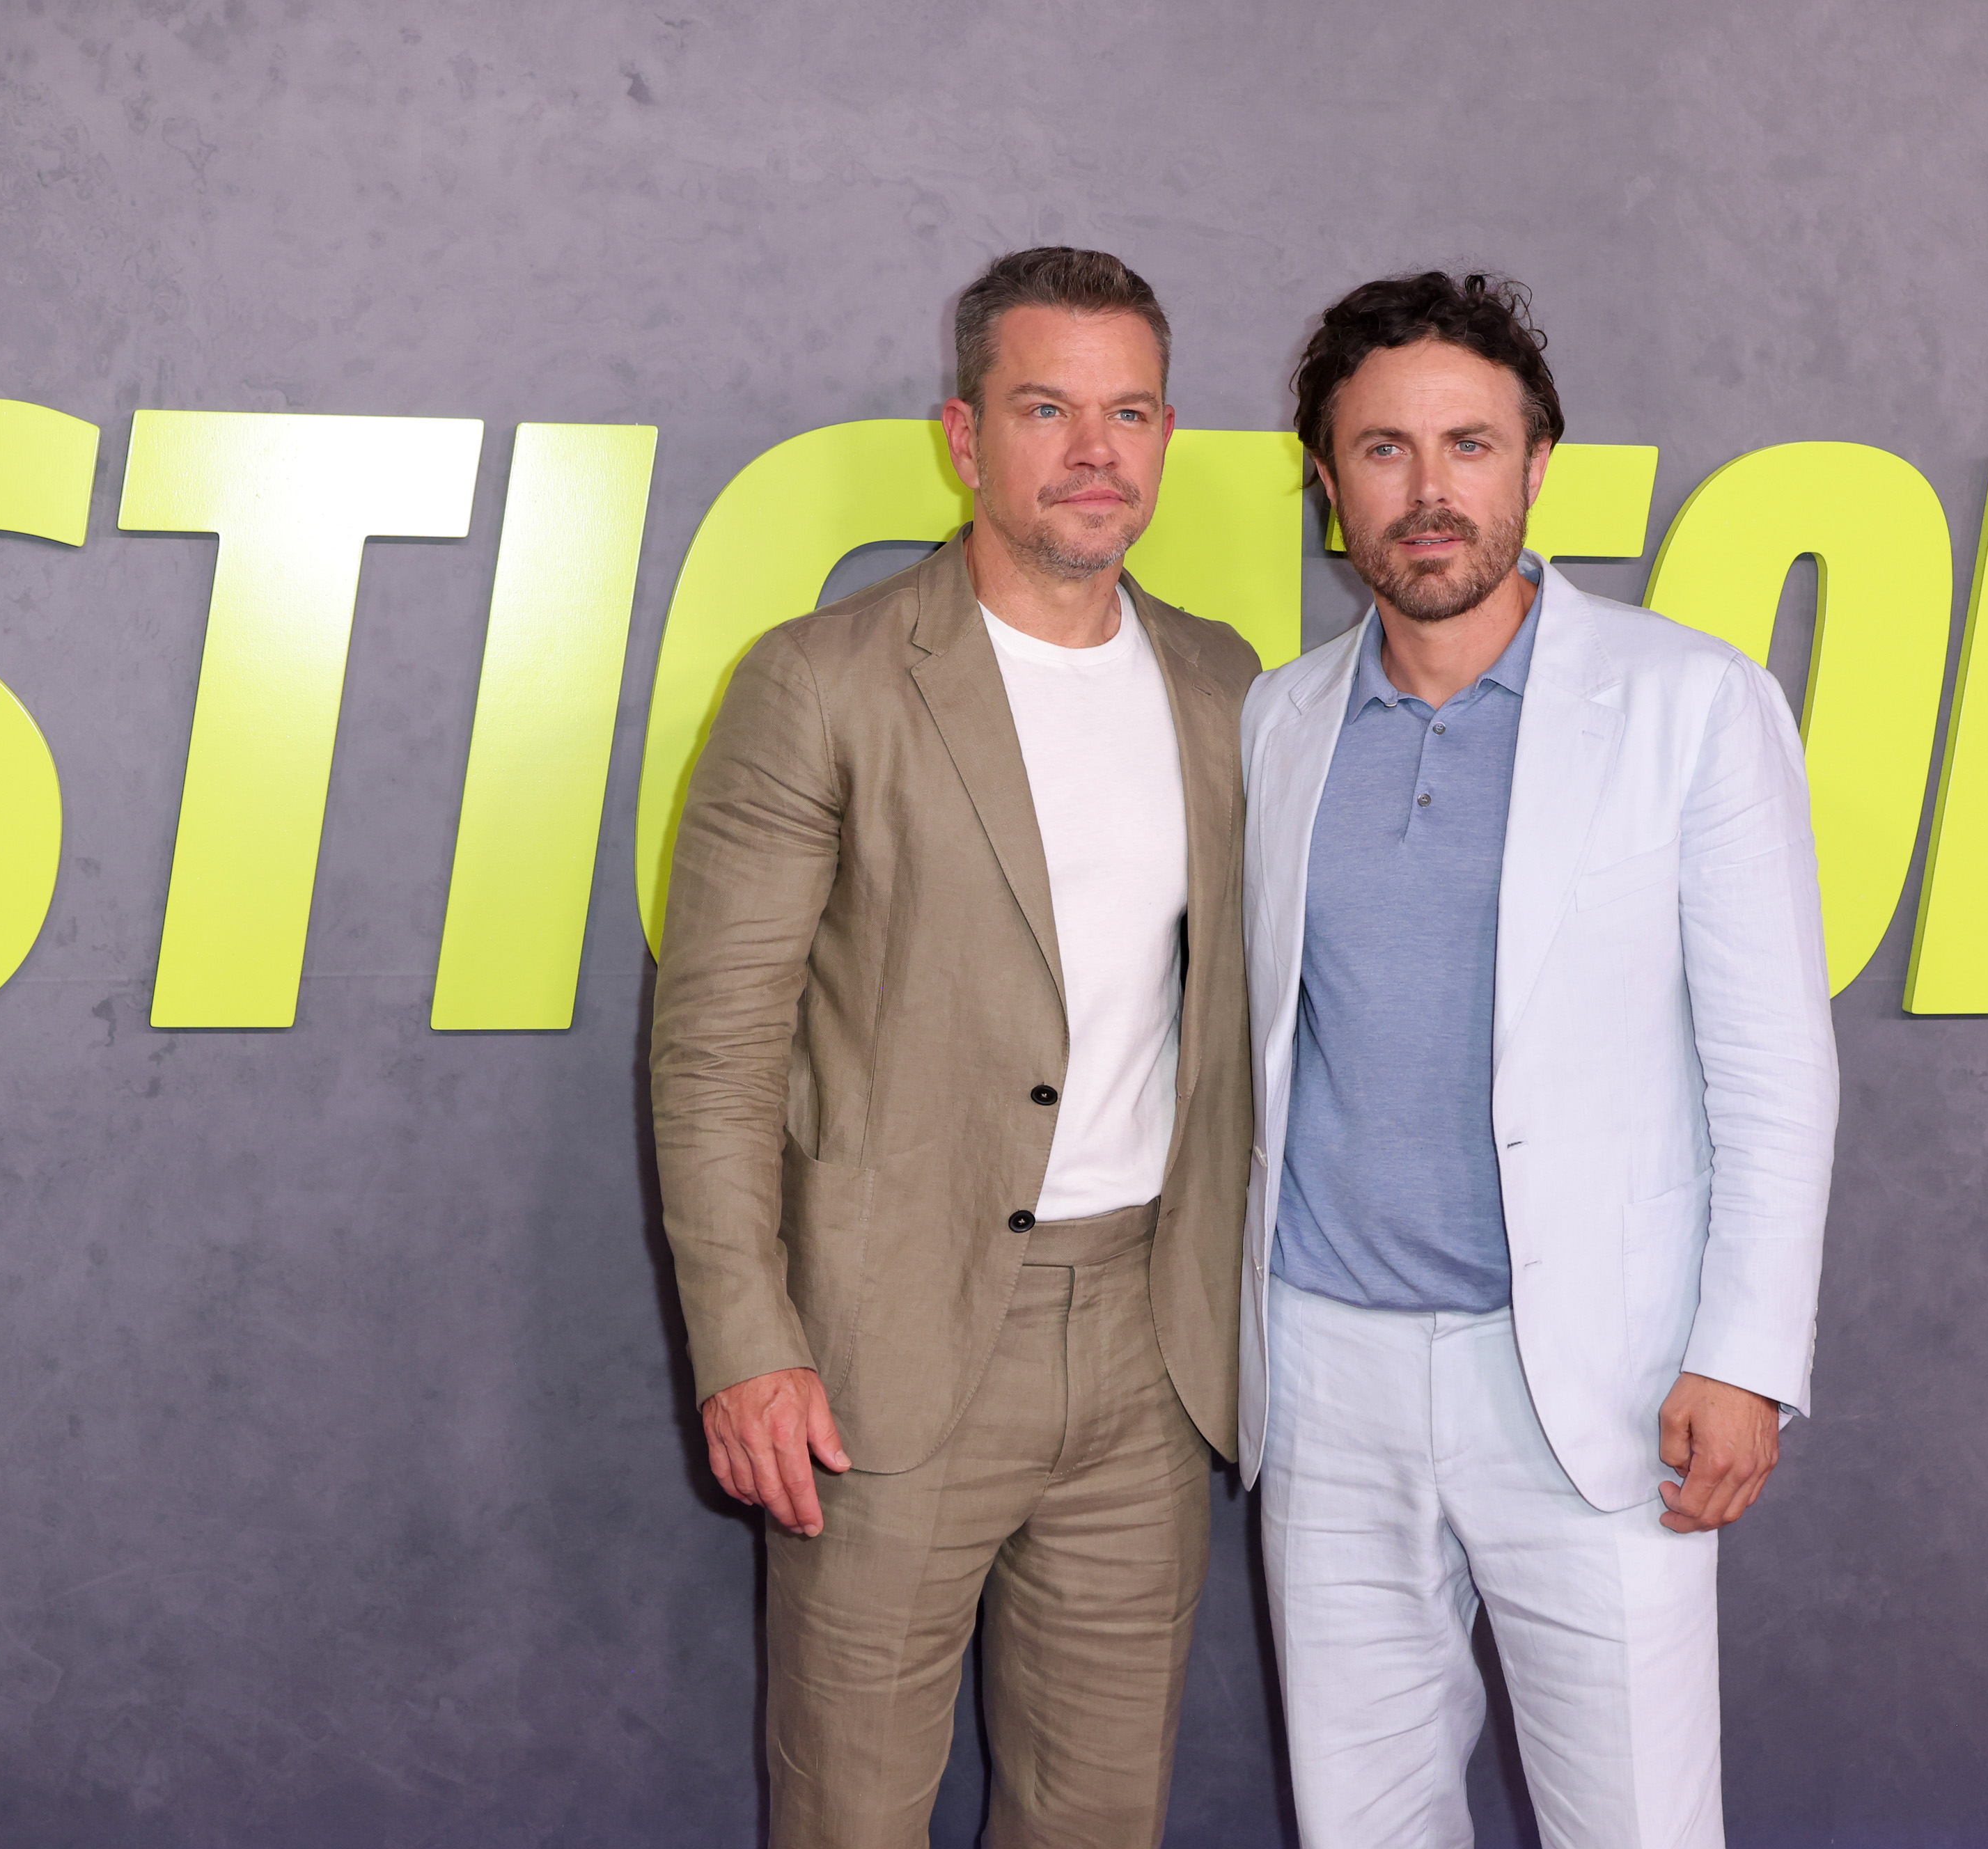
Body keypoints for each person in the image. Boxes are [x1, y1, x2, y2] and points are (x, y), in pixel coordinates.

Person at [649, 246, 1260, 1848]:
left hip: (1148, 1345)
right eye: (1046, 406)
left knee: (1097, 1820)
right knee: (849, 1815)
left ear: (1169, 434)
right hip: (882, 1346)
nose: (1094, 450)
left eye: (1129, 411)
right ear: (963, 432)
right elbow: (715, 1051)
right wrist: (745, 1340)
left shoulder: (1224, 682)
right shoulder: (822, 682)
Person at [1237, 271, 1840, 1848]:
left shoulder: (1692, 707)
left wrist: (1747, 1353)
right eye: (1383, 450)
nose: (1430, 492)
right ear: (1326, 479)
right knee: (1361, 1822)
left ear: (1536, 462)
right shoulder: (1275, 723)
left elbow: (1777, 1063)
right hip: (1323, 1365)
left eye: (1469, 444)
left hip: (1596, 1376)